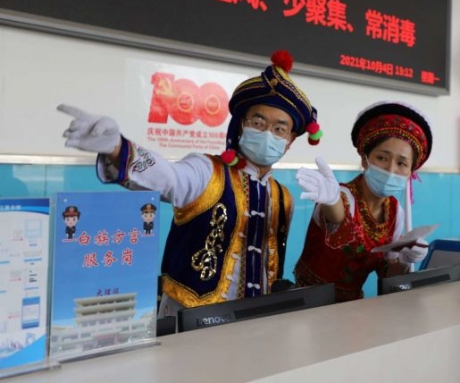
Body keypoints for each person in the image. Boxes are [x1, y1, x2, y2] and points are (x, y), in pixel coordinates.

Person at [58, 51, 322, 315]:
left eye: (279, 129)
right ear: (241, 126)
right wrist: (118, 148)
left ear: (290, 141)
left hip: (256, 318)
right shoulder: (206, 170)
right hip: (190, 315)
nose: (267, 134)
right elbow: (168, 178)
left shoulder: (282, 197)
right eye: (258, 122)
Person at [294, 101, 432, 302]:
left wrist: (404, 259)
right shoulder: (341, 195)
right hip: (309, 305)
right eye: (382, 158)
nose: (391, 169)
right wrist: (331, 200)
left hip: (353, 308)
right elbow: (338, 216)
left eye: (402, 163)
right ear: (364, 159)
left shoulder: (396, 212)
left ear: (411, 172)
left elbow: (388, 278)